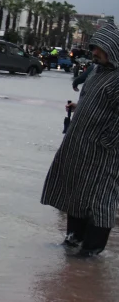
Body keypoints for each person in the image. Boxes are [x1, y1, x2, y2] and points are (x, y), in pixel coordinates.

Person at [40, 24, 118, 257]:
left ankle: (92, 251)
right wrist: (78, 107)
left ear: (113, 50)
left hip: (104, 152)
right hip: (80, 145)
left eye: (100, 49)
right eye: (94, 48)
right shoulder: (96, 71)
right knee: (76, 192)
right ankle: (73, 240)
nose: (94, 53)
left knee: (100, 199)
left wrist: (108, 140)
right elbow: (94, 100)